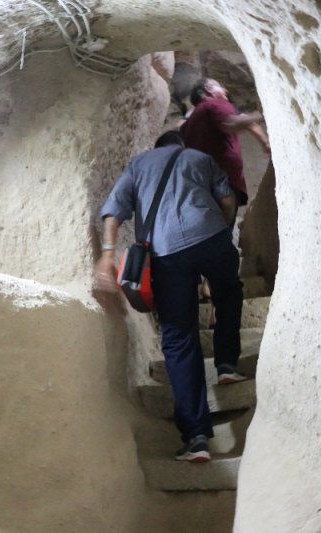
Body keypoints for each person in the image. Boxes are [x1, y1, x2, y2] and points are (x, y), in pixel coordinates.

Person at [93, 131, 247, 463]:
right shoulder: (200, 158)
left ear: (158, 148)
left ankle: (197, 437)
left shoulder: (138, 165)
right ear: (179, 146)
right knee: (229, 292)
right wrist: (223, 230)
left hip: (166, 254)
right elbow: (226, 199)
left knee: (178, 336)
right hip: (210, 236)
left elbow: (113, 211)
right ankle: (226, 364)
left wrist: (108, 255)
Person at [180, 78, 270, 221]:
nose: (225, 90)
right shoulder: (215, 104)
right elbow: (231, 123)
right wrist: (265, 114)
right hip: (221, 181)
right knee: (221, 230)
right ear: (209, 90)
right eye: (220, 86)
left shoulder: (189, 122)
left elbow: (244, 120)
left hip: (197, 185)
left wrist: (264, 142)